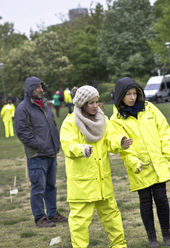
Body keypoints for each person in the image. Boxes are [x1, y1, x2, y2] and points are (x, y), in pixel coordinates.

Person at [60, 85, 130, 248]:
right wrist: (82, 149)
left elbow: (110, 138)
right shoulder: (70, 122)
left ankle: (120, 245)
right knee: (80, 223)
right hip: (82, 186)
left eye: (96, 102)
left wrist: (120, 142)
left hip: (102, 181)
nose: (95, 106)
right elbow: (68, 146)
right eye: (91, 103)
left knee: (112, 216)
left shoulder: (103, 120)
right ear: (82, 103)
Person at [110, 77, 170, 248]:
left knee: (162, 199)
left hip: (158, 163)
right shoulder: (116, 119)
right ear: (120, 96)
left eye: (134, 93)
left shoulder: (149, 108)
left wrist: (167, 153)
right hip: (139, 168)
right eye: (128, 94)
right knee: (145, 201)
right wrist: (135, 162)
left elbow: (164, 129)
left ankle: (167, 234)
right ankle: (151, 238)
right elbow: (123, 146)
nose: (132, 97)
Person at [14, 76, 68, 228]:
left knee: (51, 186)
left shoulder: (44, 105)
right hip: (37, 156)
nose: (41, 90)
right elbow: (22, 132)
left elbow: (53, 126)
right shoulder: (23, 108)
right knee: (38, 188)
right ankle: (40, 217)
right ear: (30, 89)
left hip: (51, 153)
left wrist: (55, 143)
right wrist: (39, 145)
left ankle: (52, 213)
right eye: (38, 87)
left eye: (41, 87)